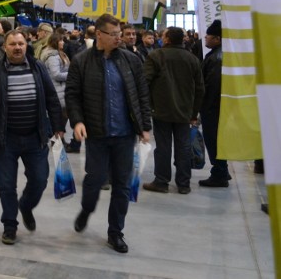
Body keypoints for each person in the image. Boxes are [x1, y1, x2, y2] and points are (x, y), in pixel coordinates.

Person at [65, 13, 152, 255]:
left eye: (119, 34)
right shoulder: (81, 61)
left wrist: (145, 126)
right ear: (99, 35)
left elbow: (142, 94)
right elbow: (72, 95)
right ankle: (87, 209)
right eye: (113, 35)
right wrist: (78, 121)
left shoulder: (131, 60)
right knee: (94, 179)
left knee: (122, 185)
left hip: (125, 134)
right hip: (97, 133)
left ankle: (115, 232)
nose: (119, 38)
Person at [0, 29, 63, 245]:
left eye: (21, 43)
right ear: (5, 47)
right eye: (12, 44)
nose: (17, 47)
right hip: (6, 139)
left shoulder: (38, 67)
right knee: (6, 185)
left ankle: (26, 205)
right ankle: (10, 225)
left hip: (35, 137)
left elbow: (51, 97)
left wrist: (58, 126)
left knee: (39, 179)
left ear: (26, 44)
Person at [142, 27, 204, 195]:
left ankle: (161, 181)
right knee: (183, 147)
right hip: (185, 112)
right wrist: (194, 113)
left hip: (161, 110)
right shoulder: (192, 59)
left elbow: (144, 82)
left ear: (167, 39)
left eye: (163, 36)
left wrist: (146, 106)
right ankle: (184, 184)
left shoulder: (155, 56)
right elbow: (200, 89)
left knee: (163, 147)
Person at [198, 20, 230, 187]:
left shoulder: (217, 58)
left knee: (213, 140)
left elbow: (212, 87)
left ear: (217, 38)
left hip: (213, 109)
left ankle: (219, 174)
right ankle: (222, 169)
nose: (205, 38)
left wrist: (204, 108)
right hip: (218, 107)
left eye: (208, 36)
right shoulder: (218, 54)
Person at [41, 32, 77, 150]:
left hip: (62, 90)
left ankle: (58, 139)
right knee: (59, 117)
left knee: (62, 117)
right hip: (57, 90)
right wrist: (71, 74)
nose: (63, 42)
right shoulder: (52, 56)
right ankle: (57, 140)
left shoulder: (60, 54)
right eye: (60, 40)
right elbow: (56, 74)